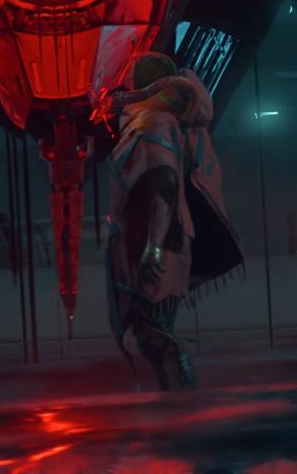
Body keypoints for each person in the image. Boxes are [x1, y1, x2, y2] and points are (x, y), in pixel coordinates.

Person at [101, 51, 242, 391]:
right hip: (162, 238)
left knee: (155, 331)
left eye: (133, 77)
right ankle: (176, 397)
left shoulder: (153, 122)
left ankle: (181, 398)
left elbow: (164, 183)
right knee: (153, 330)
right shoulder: (168, 121)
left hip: (160, 241)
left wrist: (153, 248)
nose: (127, 83)